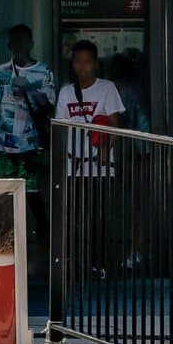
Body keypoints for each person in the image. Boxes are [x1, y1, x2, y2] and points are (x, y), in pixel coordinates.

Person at [58, 39, 127, 277]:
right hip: (73, 165)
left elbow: (115, 125)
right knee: (74, 217)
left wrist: (105, 151)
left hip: (102, 165)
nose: (83, 67)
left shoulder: (107, 88)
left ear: (95, 64)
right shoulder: (66, 92)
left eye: (87, 62)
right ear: (73, 64)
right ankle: (74, 264)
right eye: (78, 62)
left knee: (100, 217)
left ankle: (99, 263)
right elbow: (60, 127)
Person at [0, 24, 57, 181]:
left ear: (31, 44)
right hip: (4, 144)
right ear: (10, 45)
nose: (20, 46)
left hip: (32, 143)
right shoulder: (2, 70)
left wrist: (29, 89)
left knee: (30, 190)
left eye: (24, 41)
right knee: (6, 190)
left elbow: (49, 106)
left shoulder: (43, 71)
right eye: (16, 42)